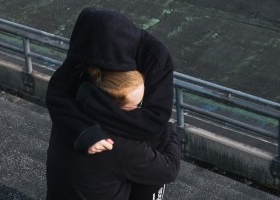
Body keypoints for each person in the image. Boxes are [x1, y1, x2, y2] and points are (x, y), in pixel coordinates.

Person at [46, 7, 175, 199]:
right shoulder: (121, 147)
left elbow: (154, 122)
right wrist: (172, 133)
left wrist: (86, 119)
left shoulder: (156, 59)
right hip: (130, 155)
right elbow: (169, 169)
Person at [46, 68, 181, 199]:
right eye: (137, 105)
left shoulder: (69, 118)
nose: (141, 111)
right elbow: (169, 169)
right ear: (115, 110)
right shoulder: (121, 145)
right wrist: (168, 127)